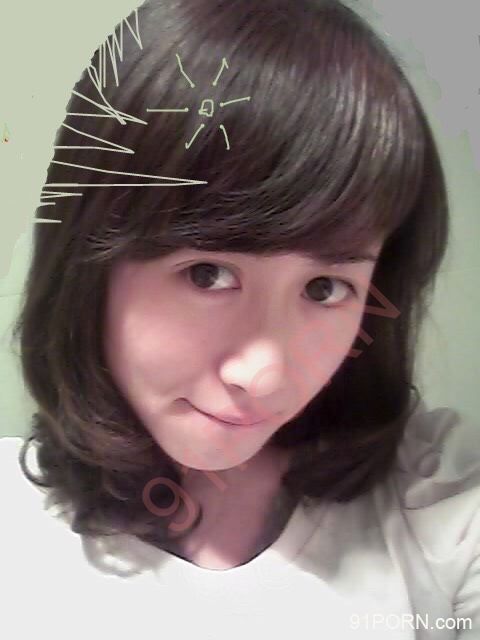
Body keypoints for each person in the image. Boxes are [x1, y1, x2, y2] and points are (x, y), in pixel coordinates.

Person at [1, 0, 479, 638]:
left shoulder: (436, 500)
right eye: (208, 274)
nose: (263, 375)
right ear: (89, 266)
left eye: (325, 288)